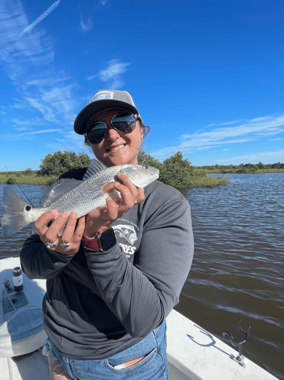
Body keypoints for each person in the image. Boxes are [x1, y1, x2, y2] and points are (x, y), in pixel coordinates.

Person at [21, 89, 194, 380]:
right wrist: (57, 250)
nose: (112, 135)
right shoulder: (70, 183)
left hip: (125, 362)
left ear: (141, 129)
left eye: (123, 121)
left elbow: (146, 316)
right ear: (90, 144)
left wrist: (98, 236)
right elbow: (31, 265)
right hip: (57, 345)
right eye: (97, 131)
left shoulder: (168, 204)